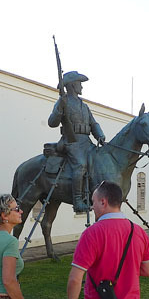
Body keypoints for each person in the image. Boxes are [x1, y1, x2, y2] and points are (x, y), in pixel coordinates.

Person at [48, 70, 106, 212]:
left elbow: (93, 123)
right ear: (73, 85)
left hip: (86, 141)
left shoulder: (84, 106)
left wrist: (100, 135)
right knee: (80, 164)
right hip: (71, 141)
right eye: (80, 83)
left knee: (99, 161)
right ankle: (78, 200)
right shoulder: (63, 101)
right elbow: (52, 122)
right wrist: (60, 109)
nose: (82, 87)